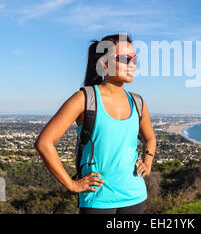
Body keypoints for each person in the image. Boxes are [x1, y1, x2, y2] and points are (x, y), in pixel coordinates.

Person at [35, 33, 157, 214]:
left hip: (135, 196)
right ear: (105, 64)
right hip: (97, 199)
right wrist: (71, 184)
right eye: (125, 59)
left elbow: (150, 138)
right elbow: (44, 143)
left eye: (134, 59)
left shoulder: (137, 102)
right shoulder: (84, 99)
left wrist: (147, 161)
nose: (132, 64)